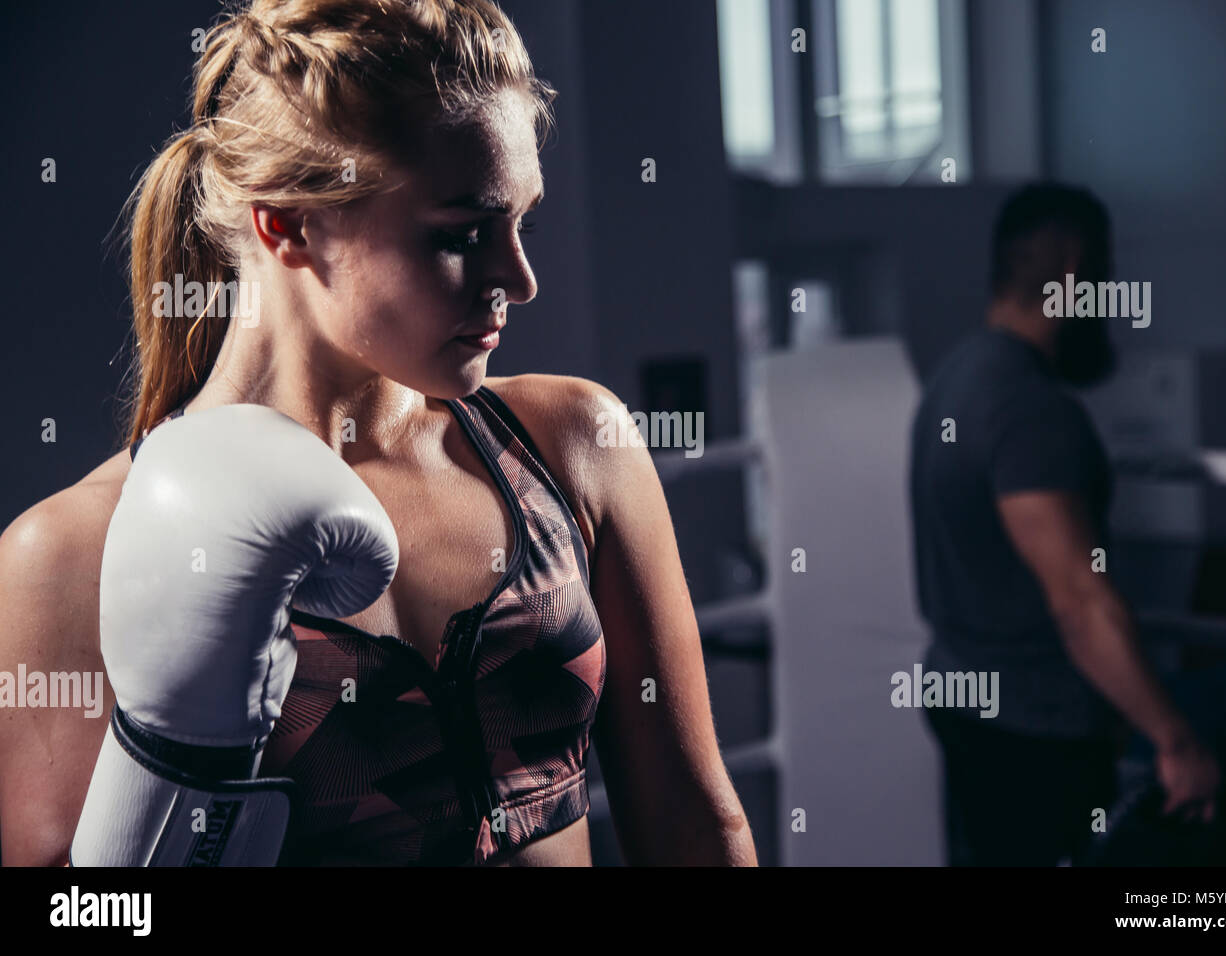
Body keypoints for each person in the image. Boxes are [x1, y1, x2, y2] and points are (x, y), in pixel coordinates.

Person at [0, 0, 756, 867]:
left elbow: (699, 826)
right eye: (463, 234)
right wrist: (169, 772)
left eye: (524, 222)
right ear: (285, 222)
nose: (519, 278)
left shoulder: (574, 444)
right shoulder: (66, 557)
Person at [908, 182, 1219, 866]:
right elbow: (1080, 602)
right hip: (1033, 732)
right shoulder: (1027, 409)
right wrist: (1175, 740)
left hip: (967, 706)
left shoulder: (951, 380)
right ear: (1077, 278)